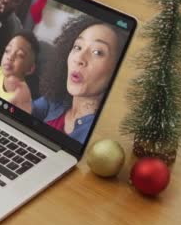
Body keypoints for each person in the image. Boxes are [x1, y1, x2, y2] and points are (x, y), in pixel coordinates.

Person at [31, 15, 127, 144]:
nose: (79, 58)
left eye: (97, 52)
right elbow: (27, 109)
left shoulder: (98, 137)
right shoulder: (55, 101)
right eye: (77, 47)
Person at [0, 31, 39, 111]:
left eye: (20, 55)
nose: (10, 57)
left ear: (30, 69)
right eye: (7, 50)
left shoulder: (22, 99)